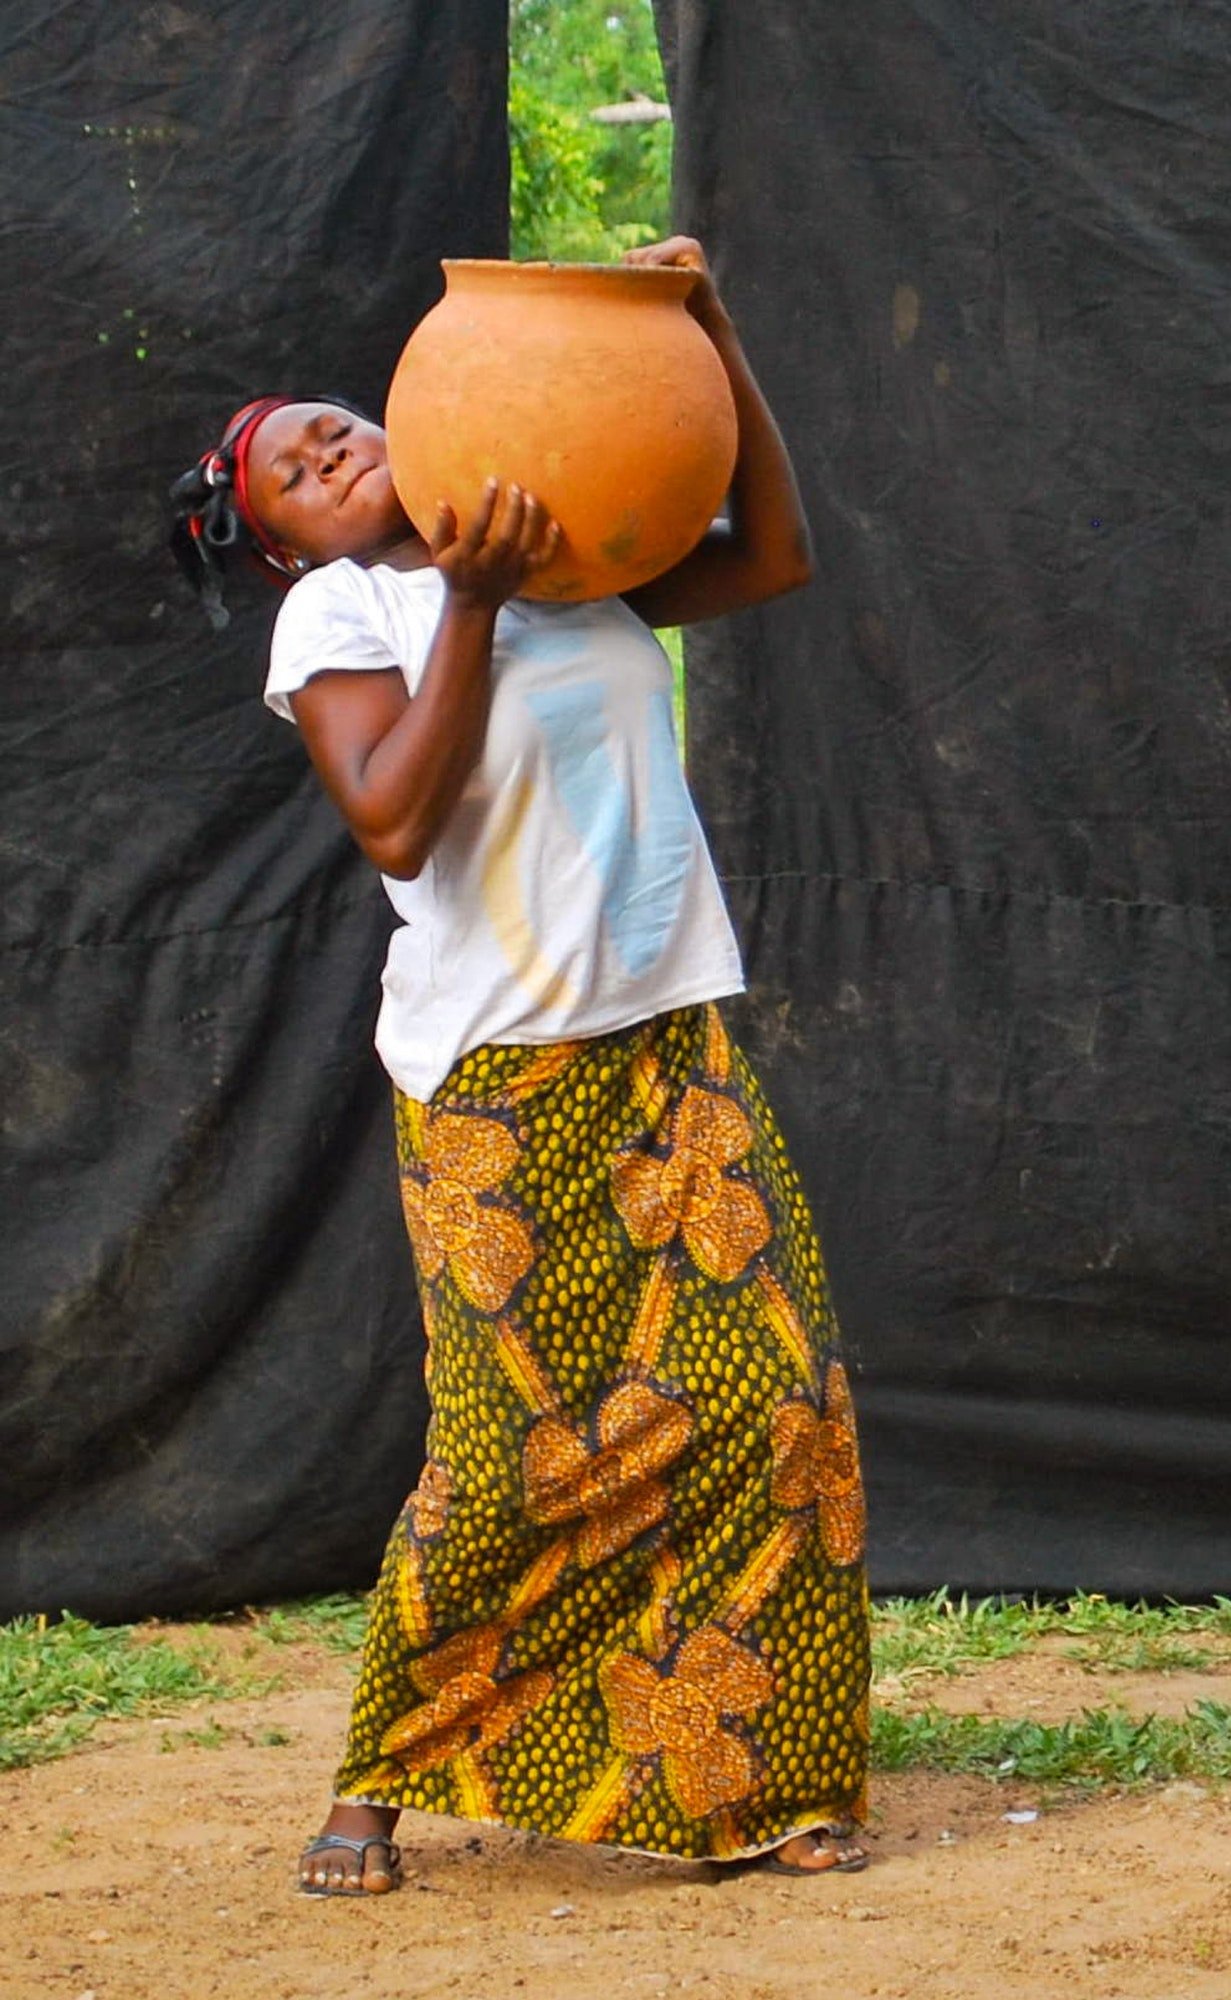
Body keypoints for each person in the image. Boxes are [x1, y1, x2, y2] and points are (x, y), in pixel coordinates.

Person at [171, 238, 871, 1893]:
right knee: (512, 1454)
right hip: (496, 1081)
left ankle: (749, 1786)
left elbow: (773, 553)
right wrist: (465, 604)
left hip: (667, 1042)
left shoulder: (569, 550)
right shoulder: (351, 613)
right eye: (300, 469)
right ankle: (378, 1778)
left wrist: (713, 326)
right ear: (281, 547)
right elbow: (397, 818)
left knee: (778, 1406)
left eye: (343, 426)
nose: (338, 453)